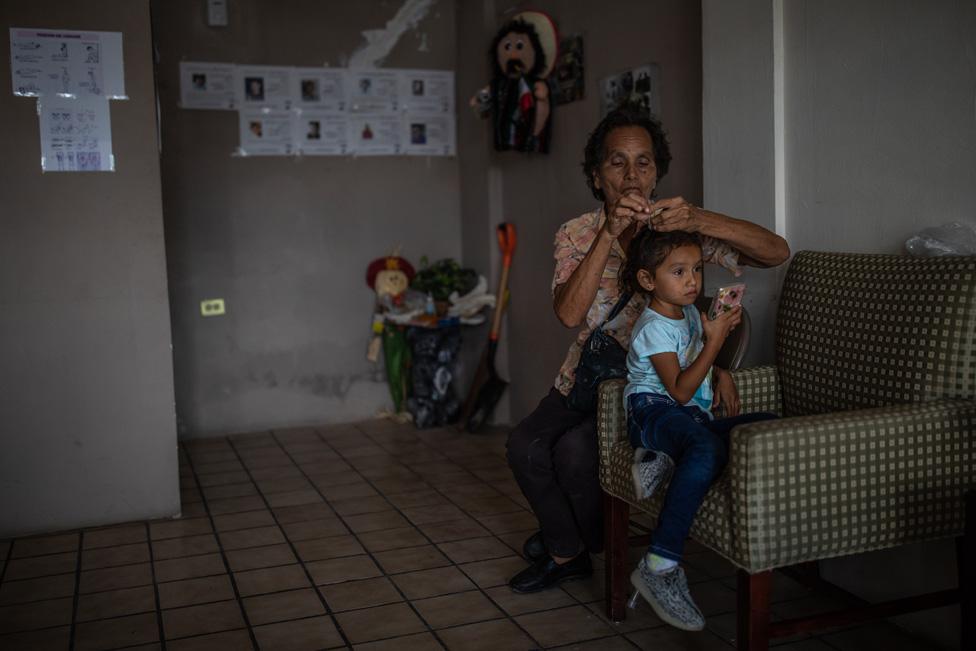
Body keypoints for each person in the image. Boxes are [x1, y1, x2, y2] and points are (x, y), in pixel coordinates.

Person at [505, 105, 789, 594]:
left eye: (644, 162)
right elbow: (569, 314)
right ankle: (568, 547)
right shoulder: (577, 231)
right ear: (597, 176)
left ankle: (566, 545)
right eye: (617, 163)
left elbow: (776, 252)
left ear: (657, 171)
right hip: (587, 373)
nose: (632, 175)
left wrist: (701, 217)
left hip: (648, 384)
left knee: (575, 455)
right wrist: (608, 235)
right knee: (525, 447)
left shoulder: (681, 230)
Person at [620, 227, 777, 630]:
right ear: (647, 280)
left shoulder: (689, 312)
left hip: (689, 418)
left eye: (695, 269)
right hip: (653, 411)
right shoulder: (653, 325)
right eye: (678, 271)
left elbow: (694, 371)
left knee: (767, 428)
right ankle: (659, 563)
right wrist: (716, 341)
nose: (692, 281)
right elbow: (678, 389)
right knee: (705, 449)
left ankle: (665, 458)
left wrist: (722, 370)